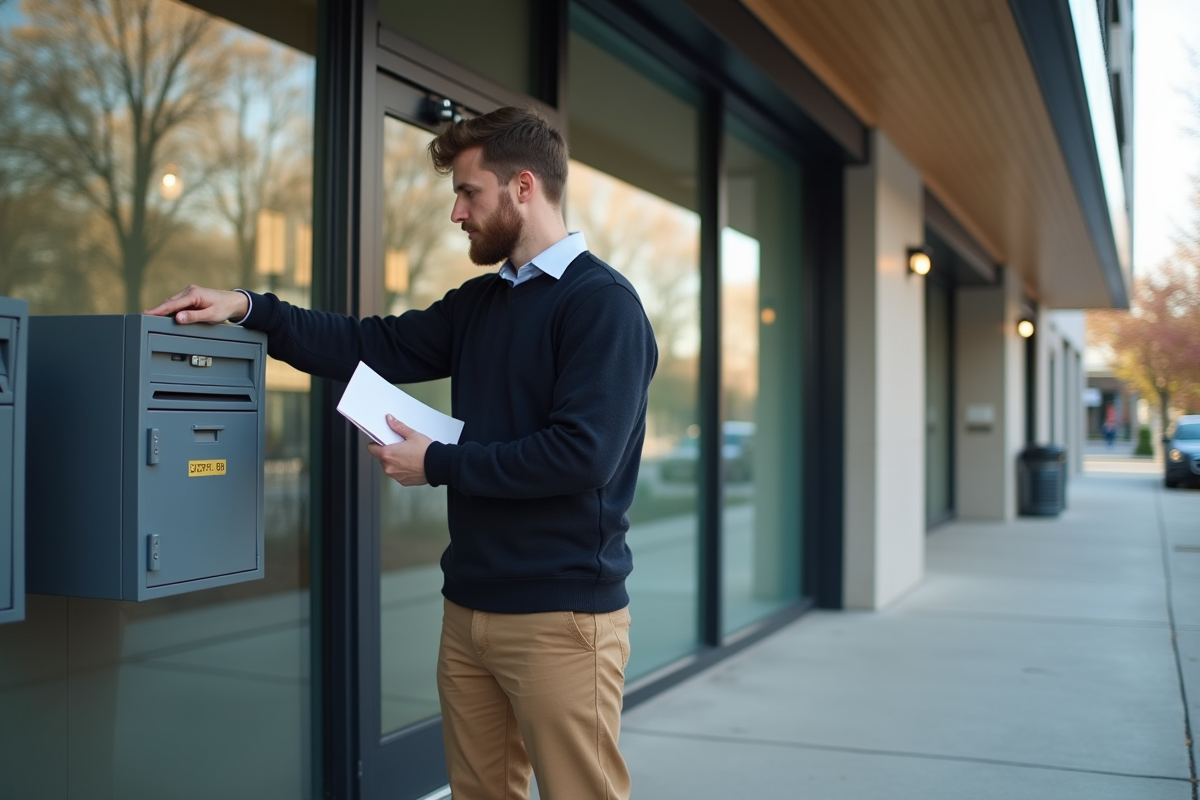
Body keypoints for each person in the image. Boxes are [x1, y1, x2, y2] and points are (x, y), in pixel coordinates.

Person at [146, 106, 657, 800]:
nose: (456, 213)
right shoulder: (480, 304)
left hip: (561, 618)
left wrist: (439, 463)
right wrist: (249, 307)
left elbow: (581, 455)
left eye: (468, 192)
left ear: (524, 188)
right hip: (469, 608)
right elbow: (370, 343)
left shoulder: (603, 306)